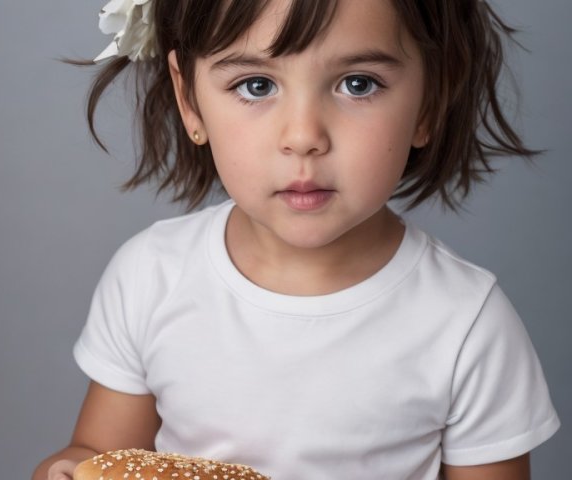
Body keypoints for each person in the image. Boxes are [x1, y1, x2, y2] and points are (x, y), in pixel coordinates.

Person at [33, 1, 560, 479]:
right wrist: (68, 470)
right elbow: (99, 454)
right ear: (189, 100)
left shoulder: (467, 322)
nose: (304, 136)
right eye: (257, 86)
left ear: (430, 100)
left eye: (358, 83)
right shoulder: (151, 275)